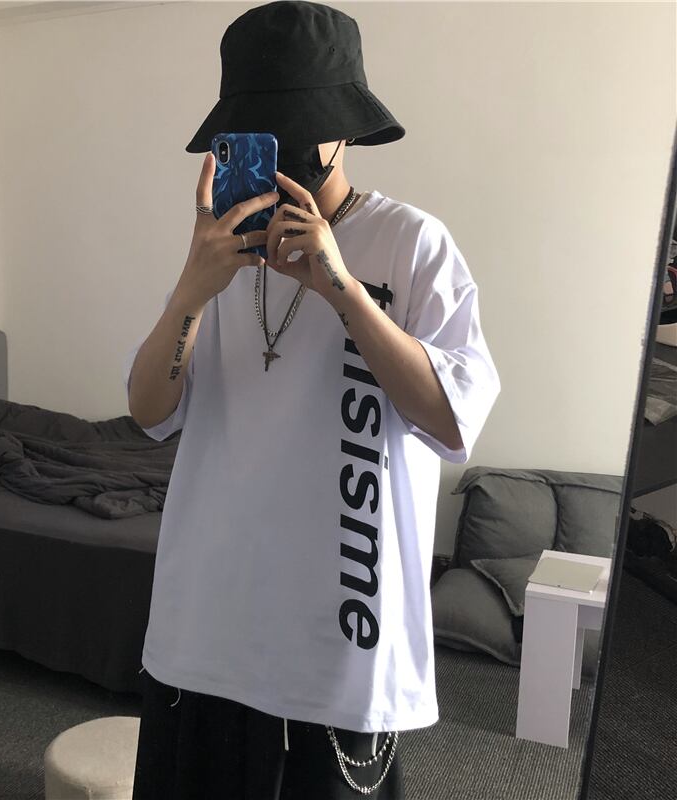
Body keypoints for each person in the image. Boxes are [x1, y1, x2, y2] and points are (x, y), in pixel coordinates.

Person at [123, 2, 501, 797]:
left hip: (341, 639)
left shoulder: (413, 243)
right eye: (254, 131)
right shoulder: (217, 252)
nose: (279, 148)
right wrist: (192, 289)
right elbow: (149, 410)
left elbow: (451, 418)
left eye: (293, 126)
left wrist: (343, 288)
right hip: (204, 629)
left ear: (341, 130)